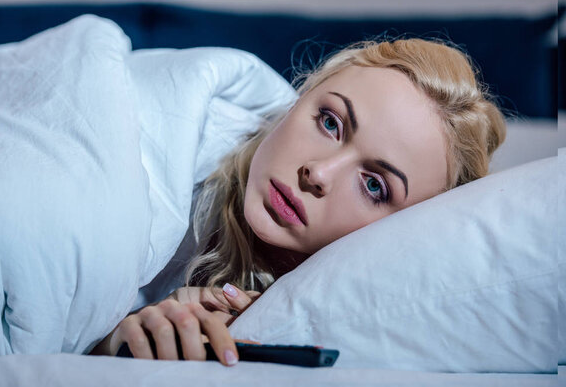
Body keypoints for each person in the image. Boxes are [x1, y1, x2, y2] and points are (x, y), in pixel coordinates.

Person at [90, 38, 507, 366]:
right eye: (330, 122)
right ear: (302, 97)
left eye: (374, 185)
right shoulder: (184, 132)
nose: (318, 174)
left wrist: (128, 337)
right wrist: (102, 337)